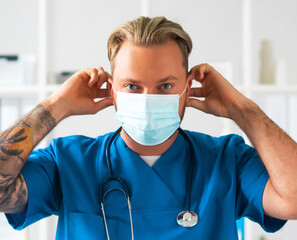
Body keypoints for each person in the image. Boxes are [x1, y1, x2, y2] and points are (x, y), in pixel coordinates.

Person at [0, 16, 296, 240]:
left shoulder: (227, 160)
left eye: (165, 85)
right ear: (111, 90)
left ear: (188, 88)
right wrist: (54, 106)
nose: (148, 99)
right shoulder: (68, 162)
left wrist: (242, 109)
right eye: (132, 86)